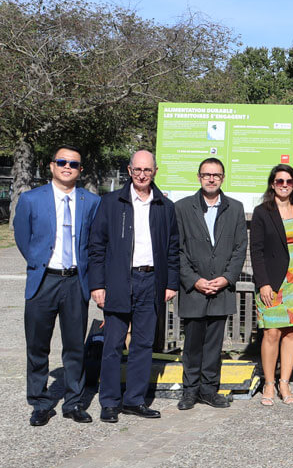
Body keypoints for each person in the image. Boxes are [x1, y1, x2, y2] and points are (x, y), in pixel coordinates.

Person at [89, 150, 180, 423]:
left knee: (143, 343)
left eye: (147, 170)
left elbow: (172, 248)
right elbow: (96, 247)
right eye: (137, 170)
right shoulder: (111, 202)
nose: (142, 175)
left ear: (155, 171)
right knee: (113, 344)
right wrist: (97, 284)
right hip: (118, 281)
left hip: (151, 281)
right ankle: (109, 402)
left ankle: (135, 400)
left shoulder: (165, 205)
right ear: (129, 171)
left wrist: (171, 282)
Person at [16, 147, 100, 426]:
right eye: (62, 162)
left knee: (75, 346)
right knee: (37, 346)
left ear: (80, 170)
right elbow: (23, 237)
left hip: (76, 281)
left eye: (73, 164)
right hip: (44, 280)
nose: (67, 167)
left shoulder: (91, 201)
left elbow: (94, 242)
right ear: (51, 166)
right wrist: (40, 262)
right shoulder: (31, 199)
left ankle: (74, 402)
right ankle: (40, 402)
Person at [174, 158, 247, 411]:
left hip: (221, 288)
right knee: (192, 345)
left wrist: (227, 278)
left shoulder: (235, 208)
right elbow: (177, 250)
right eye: (206, 174)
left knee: (215, 345)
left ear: (223, 178)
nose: (211, 179)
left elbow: (240, 249)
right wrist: (194, 281)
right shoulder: (182, 208)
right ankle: (190, 391)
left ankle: (209, 390)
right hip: (194, 289)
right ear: (199, 177)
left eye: (216, 175)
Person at [249, 165, 293, 406]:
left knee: (292, 332)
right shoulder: (261, 212)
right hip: (273, 279)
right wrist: (263, 284)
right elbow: (256, 251)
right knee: (271, 332)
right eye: (279, 181)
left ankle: (285, 382)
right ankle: (269, 383)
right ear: (272, 184)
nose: (284, 185)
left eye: (289, 181)